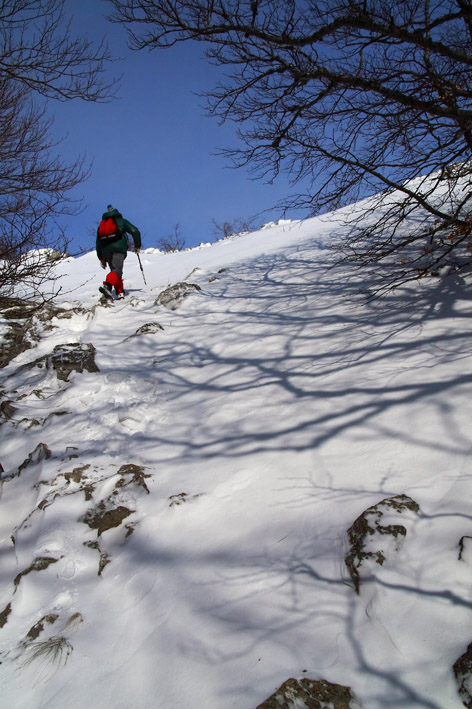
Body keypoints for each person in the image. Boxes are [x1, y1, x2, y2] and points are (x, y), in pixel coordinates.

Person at [96, 205, 141, 299]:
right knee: (117, 270)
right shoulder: (121, 221)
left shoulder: (102, 225)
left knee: (115, 271)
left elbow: (98, 242)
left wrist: (101, 258)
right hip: (118, 248)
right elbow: (135, 231)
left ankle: (119, 291)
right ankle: (107, 286)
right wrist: (137, 245)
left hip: (106, 251)